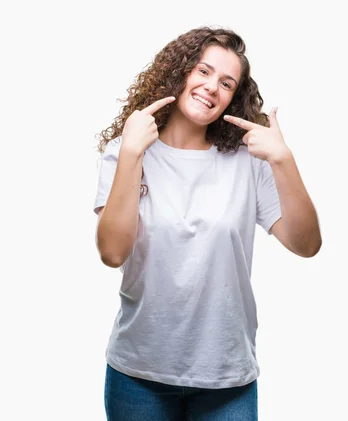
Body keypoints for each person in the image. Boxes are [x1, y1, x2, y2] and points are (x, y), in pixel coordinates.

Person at [93, 26, 322, 421]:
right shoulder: (126, 150)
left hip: (226, 376)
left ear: (235, 97)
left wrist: (283, 160)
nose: (211, 87)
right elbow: (112, 253)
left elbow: (306, 244)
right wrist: (131, 153)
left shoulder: (249, 159)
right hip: (138, 373)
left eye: (227, 82)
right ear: (178, 72)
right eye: (202, 71)